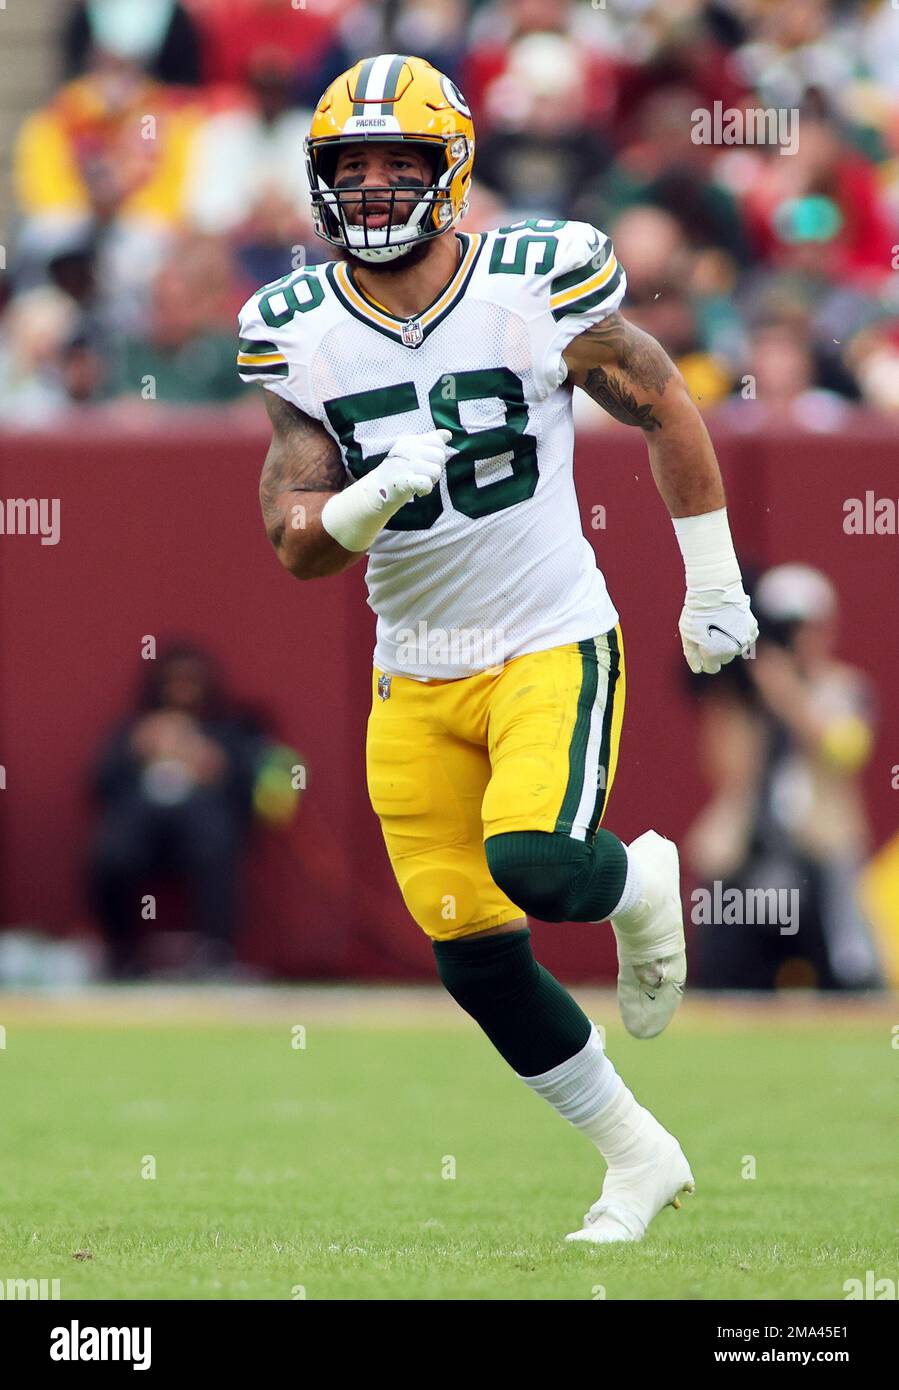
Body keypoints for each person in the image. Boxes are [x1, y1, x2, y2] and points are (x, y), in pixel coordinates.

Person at [237, 55, 759, 1245]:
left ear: (451, 169)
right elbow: (292, 538)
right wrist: (362, 506)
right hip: (411, 666)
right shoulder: (294, 328)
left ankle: (634, 880)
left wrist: (712, 577)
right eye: (347, 170)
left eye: (395, 166)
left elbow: (659, 396)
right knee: (473, 957)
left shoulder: (533, 281)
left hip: (544, 637)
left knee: (537, 859)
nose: (370, 192)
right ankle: (635, 1154)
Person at [88, 645, 265, 978]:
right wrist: (137, 750)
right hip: (141, 831)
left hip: (202, 829)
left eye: (191, 682)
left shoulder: (227, 732)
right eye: (174, 681)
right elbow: (99, 786)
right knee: (111, 852)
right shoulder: (136, 730)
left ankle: (215, 954)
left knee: (217, 840)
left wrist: (212, 764)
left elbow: (251, 793)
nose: (182, 690)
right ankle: (121, 953)